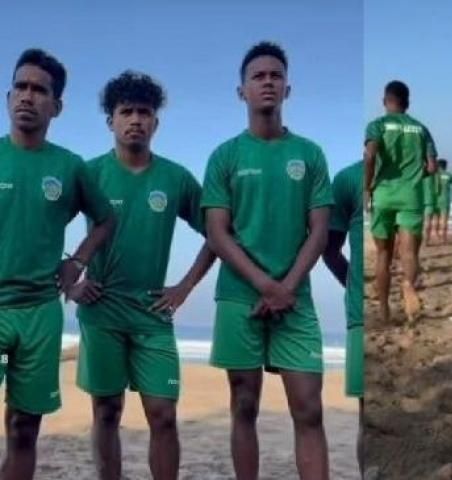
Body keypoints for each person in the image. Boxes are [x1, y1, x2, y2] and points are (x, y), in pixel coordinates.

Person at [73, 71, 216, 480]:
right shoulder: (89, 173)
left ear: (156, 122)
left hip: (152, 313)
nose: (135, 119)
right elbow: (43, 226)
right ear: (110, 121)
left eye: (144, 112)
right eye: (126, 112)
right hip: (101, 313)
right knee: (106, 411)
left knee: (163, 414)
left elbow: (218, 234)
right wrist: (71, 281)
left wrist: (185, 286)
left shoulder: (175, 179)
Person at [202, 42, 332, 480]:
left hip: (295, 296)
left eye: (276, 75)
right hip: (241, 296)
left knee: (309, 408)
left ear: (288, 88)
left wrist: (286, 287)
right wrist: (264, 284)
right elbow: (218, 232)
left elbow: (318, 229)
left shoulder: (310, 154)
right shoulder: (224, 156)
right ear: (241, 91)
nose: (268, 82)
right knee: (243, 405)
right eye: (258, 76)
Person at [0, 49, 116, 480]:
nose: (28, 96)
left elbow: (106, 219)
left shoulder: (70, 167)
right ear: (8, 96)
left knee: (24, 428)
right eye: (21, 87)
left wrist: (78, 262)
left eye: (39, 90)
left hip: (40, 313)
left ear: (57, 105)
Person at [365, 80, 437, 323]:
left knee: (383, 254)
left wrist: (367, 187)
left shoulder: (377, 125)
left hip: (384, 194)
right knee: (409, 252)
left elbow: (370, 154)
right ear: (407, 103)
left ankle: (384, 310)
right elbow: (432, 166)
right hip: (411, 195)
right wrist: (416, 175)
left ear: (385, 101)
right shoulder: (421, 128)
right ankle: (407, 284)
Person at [322, 160, 364, 475]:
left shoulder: (412, 176)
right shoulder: (348, 178)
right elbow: (330, 249)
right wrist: (355, 285)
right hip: (362, 316)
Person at [436, 159, 452, 243]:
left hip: (435, 199)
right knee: (444, 220)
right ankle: (443, 238)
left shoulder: (435, 175)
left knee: (436, 219)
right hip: (445, 199)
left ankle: (437, 235)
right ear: (446, 166)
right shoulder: (449, 175)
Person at [422, 169, 440, 246]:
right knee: (428, 221)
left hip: (418, 198)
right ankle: (425, 241)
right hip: (430, 199)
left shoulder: (419, 170)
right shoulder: (435, 173)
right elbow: (438, 189)